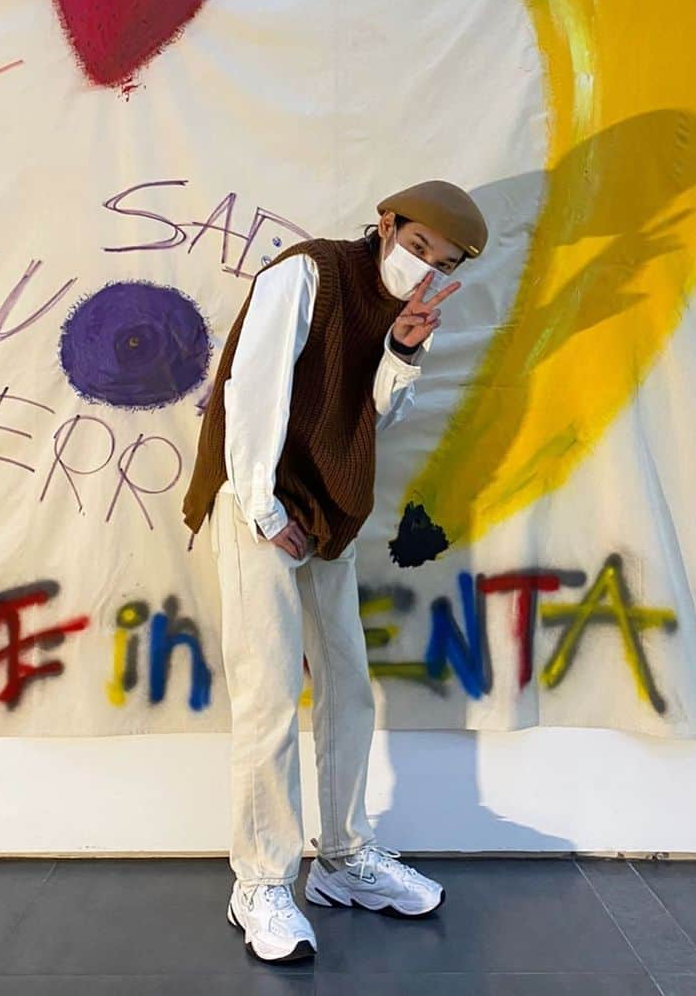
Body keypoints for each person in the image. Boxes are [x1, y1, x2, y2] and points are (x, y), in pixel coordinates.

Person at [182, 180, 488, 964]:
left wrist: (405, 349)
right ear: (387, 225)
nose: (421, 268)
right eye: (417, 248)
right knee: (270, 693)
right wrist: (262, 508)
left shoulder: (398, 309)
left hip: (328, 512)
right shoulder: (308, 273)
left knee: (347, 685)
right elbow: (251, 390)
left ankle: (344, 860)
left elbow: (370, 419)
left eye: (439, 263)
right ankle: (260, 881)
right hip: (263, 506)